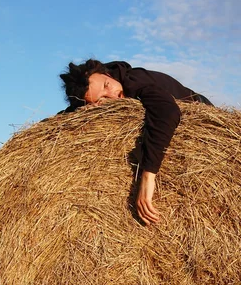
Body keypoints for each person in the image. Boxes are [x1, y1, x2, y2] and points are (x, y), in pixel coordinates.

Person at [59, 59, 213, 225]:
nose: (112, 95)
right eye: (102, 98)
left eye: (106, 85)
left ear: (107, 74)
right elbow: (65, 115)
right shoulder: (104, 89)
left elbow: (167, 113)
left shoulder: (135, 80)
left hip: (204, 114)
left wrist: (148, 177)